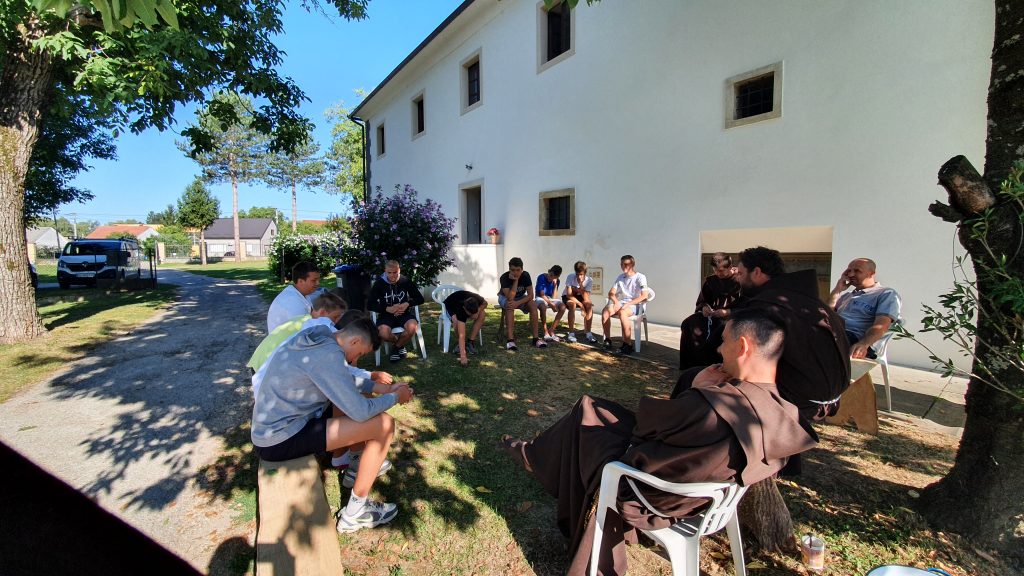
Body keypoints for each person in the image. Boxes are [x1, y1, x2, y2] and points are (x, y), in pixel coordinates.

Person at [500, 308, 818, 576]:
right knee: (592, 411)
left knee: (585, 416)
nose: (720, 350)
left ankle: (533, 456)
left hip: (649, 492)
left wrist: (698, 387)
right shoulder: (785, 416)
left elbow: (646, 428)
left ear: (743, 347)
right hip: (701, 498)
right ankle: (534, 455)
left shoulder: (713, 406)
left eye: (723, 342)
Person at [251, 316, 414, 534]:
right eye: (360, 353)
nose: (356, 359)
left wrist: (381, 388)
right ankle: (355, 512)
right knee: (384, 424)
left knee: (356, 395)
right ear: (355, 341)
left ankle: (355, 466)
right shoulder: (327, 354)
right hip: (279, 439)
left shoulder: (322, 338)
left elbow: (340, 378)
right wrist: (395, 398)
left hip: (276, 427)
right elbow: (360, 411)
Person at [675, 246, 850, 422]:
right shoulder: (808, 300)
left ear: (757, 272)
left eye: (741, 273)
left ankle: (682, 428)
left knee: (693, 378)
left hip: (800, 400)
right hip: (830, 397)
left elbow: (737, 351)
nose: (738, 278)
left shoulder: (768, 305)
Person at [829, 258, 902, 359]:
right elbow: (825, 314)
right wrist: (837, 290)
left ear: (871, 273)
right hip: (834, 332)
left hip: (854, 338)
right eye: (849, 271)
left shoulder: (886, 293)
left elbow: (881, 325)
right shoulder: (846, 296)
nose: (851, 274)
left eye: (857, 271)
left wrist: (864, 344)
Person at [678, 252, 742, 368]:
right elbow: (703, 300)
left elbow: (747, 304)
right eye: (715, 270)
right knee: (689, 323)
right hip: (712, 316)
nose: (717, 273)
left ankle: (716, 365)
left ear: (730, 267)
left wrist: (728, 312)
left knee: (720, 329)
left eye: (721, 271)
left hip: (733, 316)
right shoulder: (711, 281)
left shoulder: (741, 280)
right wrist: (704, 307)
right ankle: (691, 365)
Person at [367, 260, 425, 362]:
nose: (392, 276)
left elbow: (420, 299)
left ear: (399, 270)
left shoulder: (405, 281)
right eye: (389, 273)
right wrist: (387, 308)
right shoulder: (379, 283)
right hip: (386, 314)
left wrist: (407, 303)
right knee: (383, 333)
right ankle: (399, 344)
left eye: (395, 272)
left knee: (412, 327)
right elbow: (370, 304)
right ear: (385, 271)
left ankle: (396, 348)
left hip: (403, 313)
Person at [600, 254, 649, 356]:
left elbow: (644, 296)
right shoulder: (620, 277)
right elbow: (611, 293)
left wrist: (629, 303)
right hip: (622, 303)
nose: (624, 266)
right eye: (622, 264)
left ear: (632, 264)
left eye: (626, 264)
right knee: (605, 311)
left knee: (622, 313)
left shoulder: (640, 277)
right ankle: (608, 340)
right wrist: (616, 302)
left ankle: (627, 344)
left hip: (637, 305)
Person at [499, 257, 545, 350]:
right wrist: (516, 281)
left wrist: (518, 303)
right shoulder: (504, 277)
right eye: (513, 270)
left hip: (520, 297)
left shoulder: (525, 275)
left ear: (522, 269)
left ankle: (535, 339)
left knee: (533, 305)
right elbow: (510, 297)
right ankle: (510, 340)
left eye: (518, 270)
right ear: (509, 269)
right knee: (510, 305)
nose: (515, 272)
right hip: (505, 297)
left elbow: (531, 295)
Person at [267, 261, 322, 332]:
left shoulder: (300, 294)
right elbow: (306, 333)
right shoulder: (294, 303)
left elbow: (313, 316)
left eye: (318, 280)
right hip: (290, 338)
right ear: (300, 281)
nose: (318, 283)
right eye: (314, 280)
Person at [443, 290, 487, 366]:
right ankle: (460, 345)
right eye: (469, 314)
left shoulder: (477, 299)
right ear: (464, 308)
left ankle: (470, 341)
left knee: (482, 314)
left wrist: (478, 311)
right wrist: (463, 357)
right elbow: (462, 335)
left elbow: (485, 303)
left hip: (463, 300)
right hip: (450, 305)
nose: (470, 316)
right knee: (456, 321)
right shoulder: (461, 311)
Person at [562, 261, 597, 343]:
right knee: (572, 305)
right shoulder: (570, 277)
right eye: (577, 274)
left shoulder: (589, 280)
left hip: (581, 296)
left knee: (589, 306)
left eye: (581, 274)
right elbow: (569, 295)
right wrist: (581, 306)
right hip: (568, 296)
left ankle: (588, 332)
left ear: (585, 272)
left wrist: (581, 285)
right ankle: (571, 333)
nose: (578, 276)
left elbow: (586, 298)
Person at [535, 265, 565, 342]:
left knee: (563, 307)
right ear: (549, 271)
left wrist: (555, 285)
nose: (551, 278)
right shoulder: (541, 277)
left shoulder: (557, 281)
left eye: (554, 277)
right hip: (540, 297)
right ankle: (545, 331)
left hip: (549, 298)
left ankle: (551, 330)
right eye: (551, 275)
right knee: (543, 307)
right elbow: (542, 294)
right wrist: (551, 304)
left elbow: (554, 297)